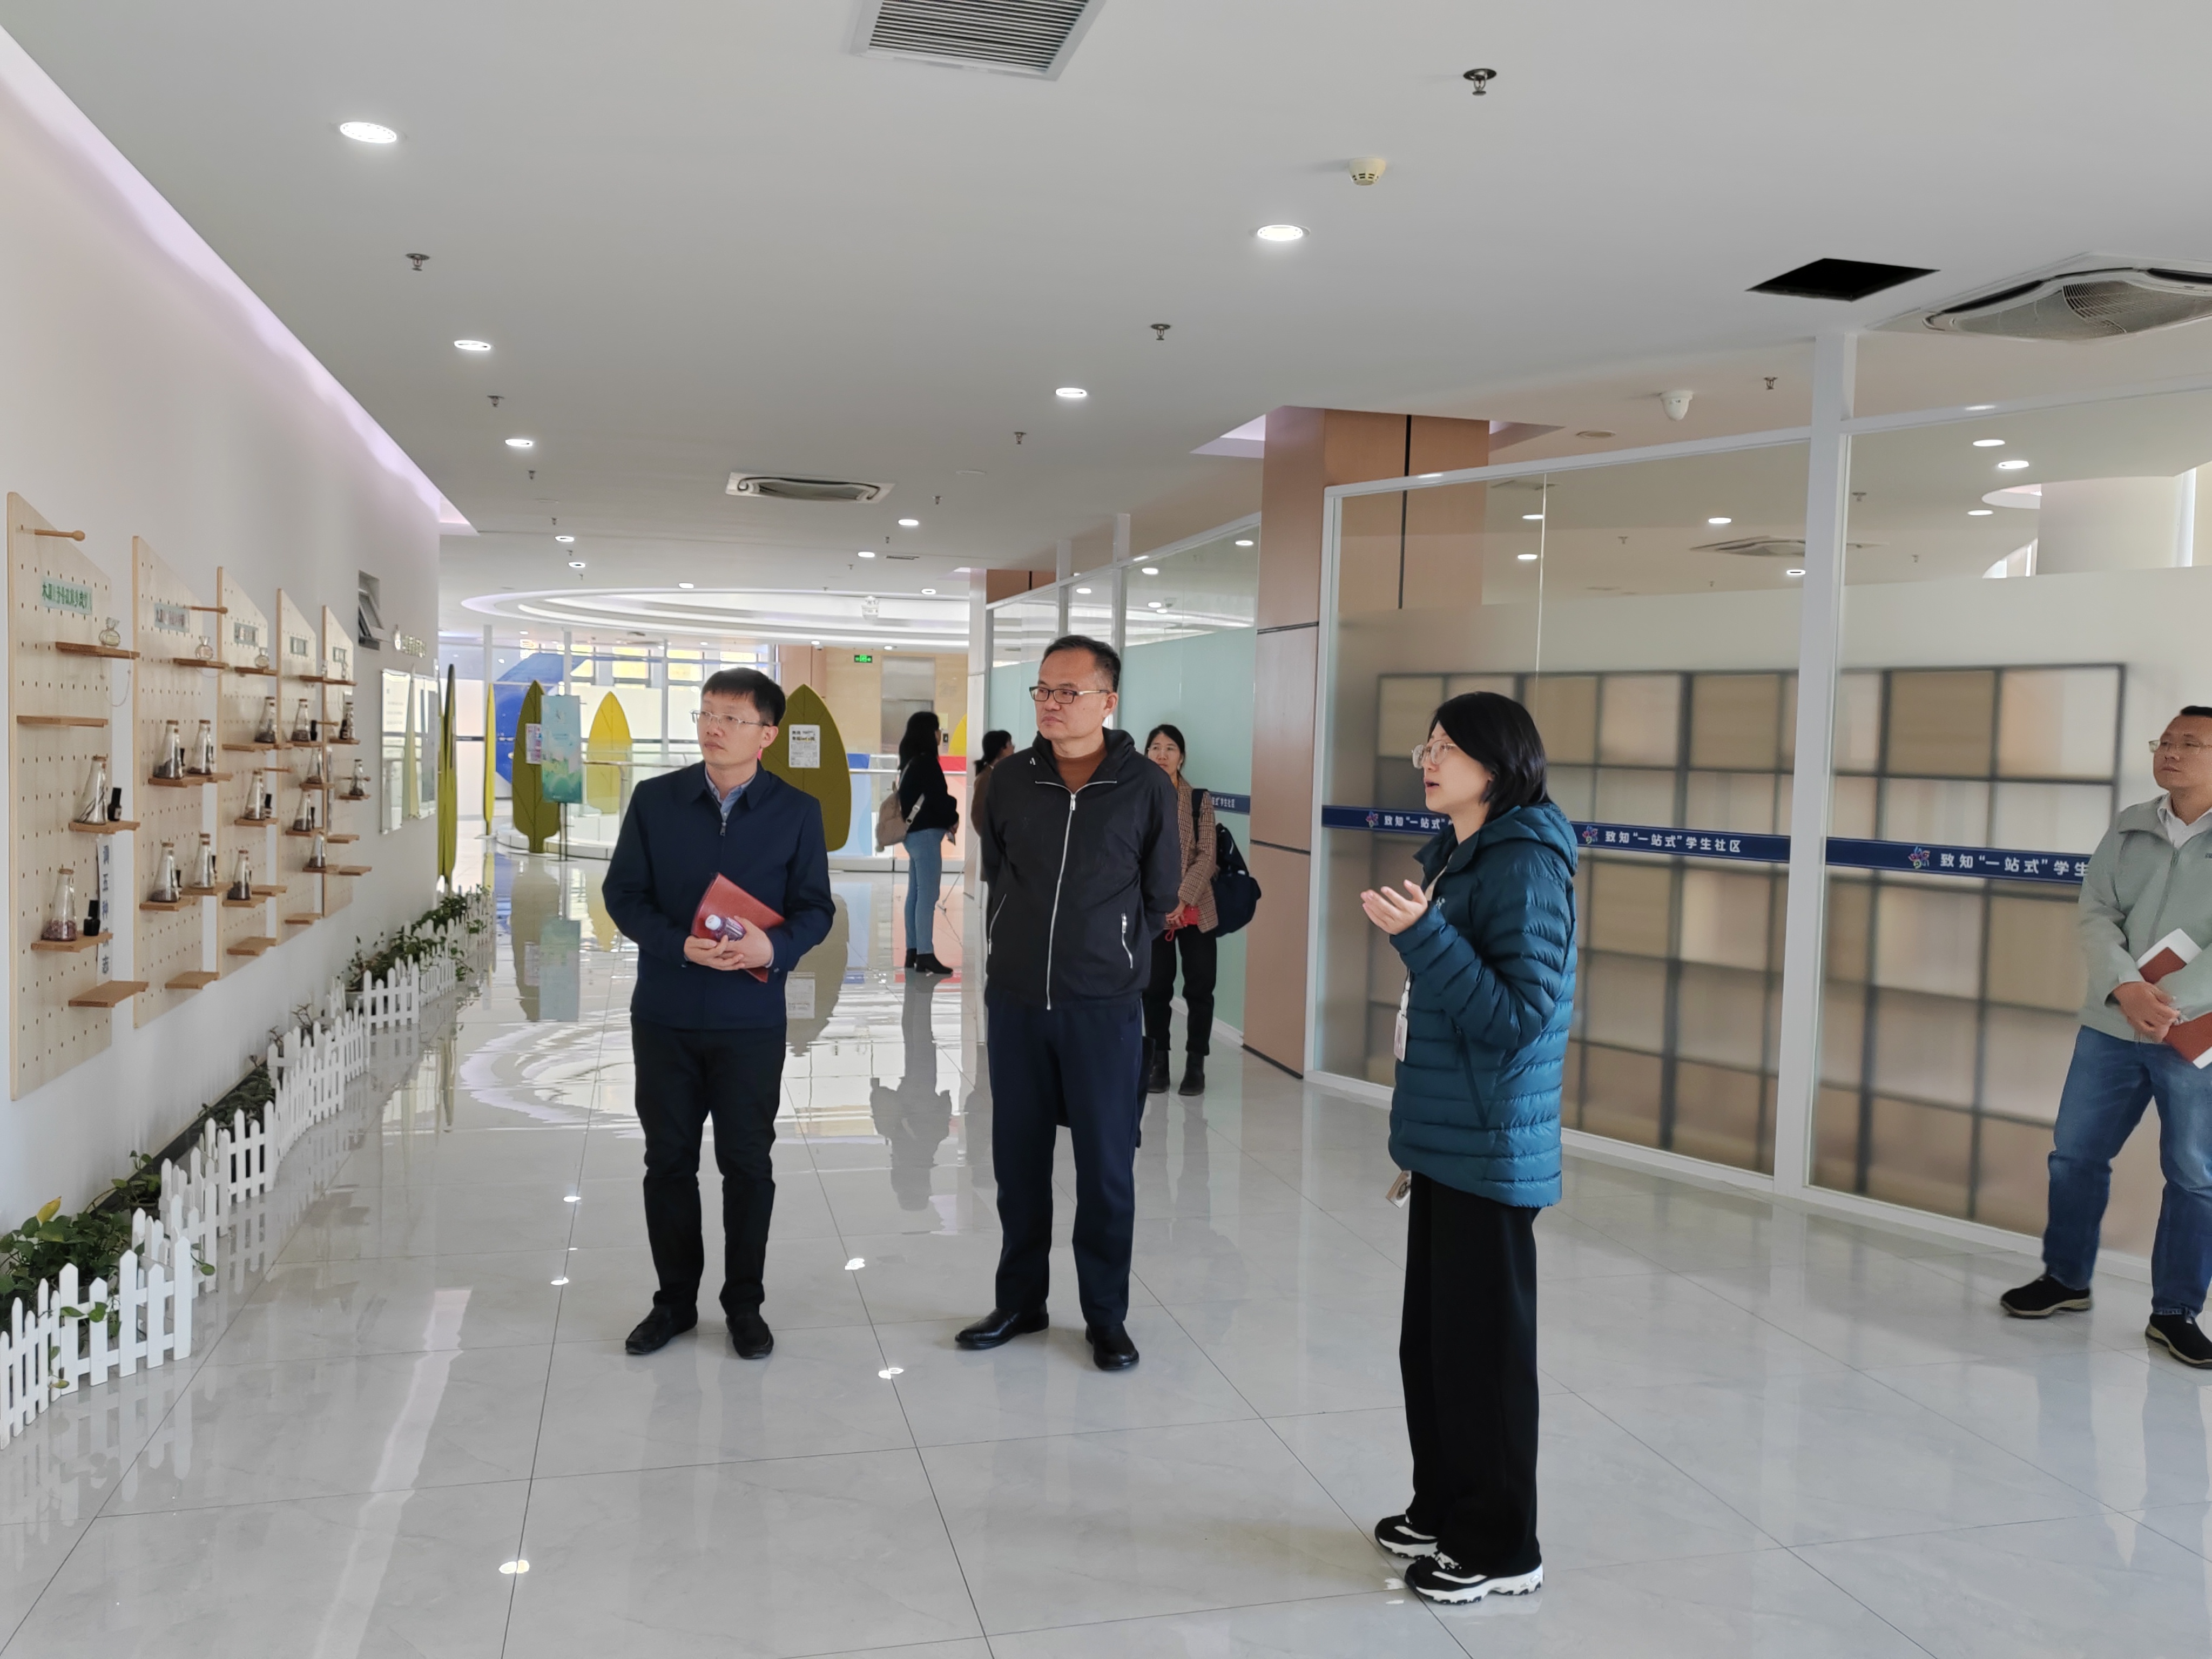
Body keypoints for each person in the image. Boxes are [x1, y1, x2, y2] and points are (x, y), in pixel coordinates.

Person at [1360, 691, 1575, 1605]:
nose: (1429, 760)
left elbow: (1518, 1018)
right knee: (1436, 1345)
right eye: (1429, 745)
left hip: (1490, 1142)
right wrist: (1428, 932)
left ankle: (1501, 1544)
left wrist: (1423, 936)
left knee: (1483, 1357)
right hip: (1449, 1137)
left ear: (1500, 763)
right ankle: (1445, 1504)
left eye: (1448, 747)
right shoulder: (1460, 852)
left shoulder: (1523, 864)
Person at [956, 635, 1179, 1371]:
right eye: (1043, 690)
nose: (1050, 704)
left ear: (1107, 701)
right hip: (1018, 1000)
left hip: (1104, 1007)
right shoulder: (1008, 780)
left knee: (1106, 1170)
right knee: (1018, 1164)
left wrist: (1110, 951)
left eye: (1068, 692)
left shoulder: (1145, 786)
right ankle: (1020, 1302)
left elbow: (1160, 892)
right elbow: (999, 870)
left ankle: (1105, 1317)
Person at [602, 667, 834, 1360]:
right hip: (666, 1012)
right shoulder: (656, 800)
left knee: (747, 1163)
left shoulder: (796, 811)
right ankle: (674, 1302)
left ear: (767, 735)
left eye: (732, 717)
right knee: (668, 1160)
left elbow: (815, 908)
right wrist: (675, 944)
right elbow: (623, 894)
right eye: (707, 713)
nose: (714, 727)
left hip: (750, 1018)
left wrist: (775, 947)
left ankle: (744, 1305)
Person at [2002, 704, 2212, 1368]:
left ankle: (2175, 1312)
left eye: (2190, 743)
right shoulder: (2129, 826)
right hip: (2111, 1026)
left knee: (2194, 1176)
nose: (2170, 752)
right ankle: (2065, 1278)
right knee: (2075, 1154)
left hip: (2196, 1034)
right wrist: (2126, 989)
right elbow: (2096, 913)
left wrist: (2168, 1003)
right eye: (2165, 741)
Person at [1141, 724, 1218, 1097]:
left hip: (1196, 908)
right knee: (1155, 988)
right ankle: (1158, 1064)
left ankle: (1195, 1065)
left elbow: (1207, 855)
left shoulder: (1199, 800)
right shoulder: (1136, 800)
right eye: (1155, 747)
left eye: (1170, 748)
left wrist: (1182, 898)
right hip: (1154, 911)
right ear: (1146, 755)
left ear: (1181, 757)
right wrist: (1161, 901)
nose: (1162, 754)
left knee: (1200, 988)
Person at [896, 710, 960, 976]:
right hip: (926, 836)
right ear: (929, 733)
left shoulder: (910, 762)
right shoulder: (927, 763)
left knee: (916, 893)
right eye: (937, 730)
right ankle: (925, 954)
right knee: (928, 895)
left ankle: (913, 950)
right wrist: (953, 817)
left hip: (912, 835)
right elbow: (939, 799)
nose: (939, 735)